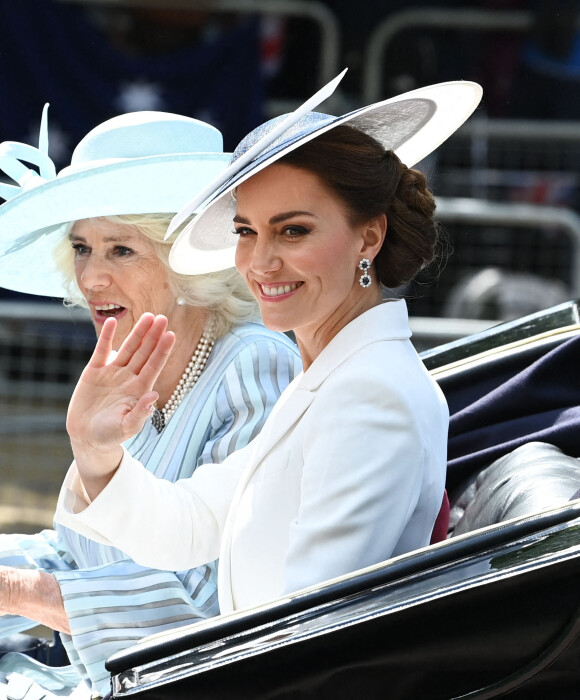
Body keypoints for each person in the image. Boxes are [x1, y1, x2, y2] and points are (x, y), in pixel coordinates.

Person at [56, 77, 482, 616]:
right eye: (246, 232)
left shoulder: (371, 395)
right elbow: (191, 526)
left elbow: (308, 626)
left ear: (369, 238)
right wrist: (95, 451)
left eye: (293, 231)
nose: (260, 262)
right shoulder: (328, 378)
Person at [0, 109, 301, 696]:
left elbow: (212, 602)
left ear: (188, 257)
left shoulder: (254, 364)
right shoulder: (132, 366)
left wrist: (13, 592)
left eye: (121, 250)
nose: (90, 279)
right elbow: (75, 554)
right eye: (82, 248)